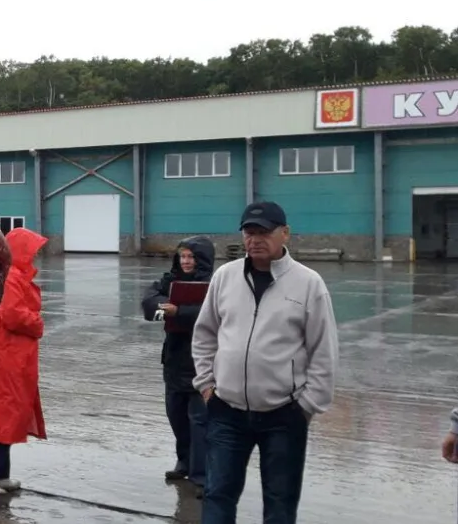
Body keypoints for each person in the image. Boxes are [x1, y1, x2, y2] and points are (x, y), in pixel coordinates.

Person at [191, 201, 339, 524]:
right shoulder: (225, 277)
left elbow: (324, 352)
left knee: (280, 504)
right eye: (249, 232)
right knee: (217, 496)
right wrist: (206, 387)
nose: (255, 239)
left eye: (264, 232)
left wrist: (307, 407)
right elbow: (204, 334)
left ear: (284, 234)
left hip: (283, 416)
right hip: (226, 413)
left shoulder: (308, 283)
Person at [0, 227, 48, 495]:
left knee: (10, 413)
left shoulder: (15, 276)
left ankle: (0, 474)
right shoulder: (11, 277)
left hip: (13, 355)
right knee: (3, 412)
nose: (35, 256)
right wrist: (37, 322)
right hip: (3, 355)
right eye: (33, 251)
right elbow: (14, 315)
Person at [140, 236, 215, 497]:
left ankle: (201, 474)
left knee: (200, 421)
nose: (185, 261)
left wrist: (179, 312)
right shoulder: (169, 281)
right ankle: (184, 462)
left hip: (202, 363)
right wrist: (162, 307)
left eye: (191, 257)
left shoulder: (215, 284)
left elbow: (215, 312)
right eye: (182, 256)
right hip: (174, 360)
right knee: (176, 417)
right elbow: (149, 300)